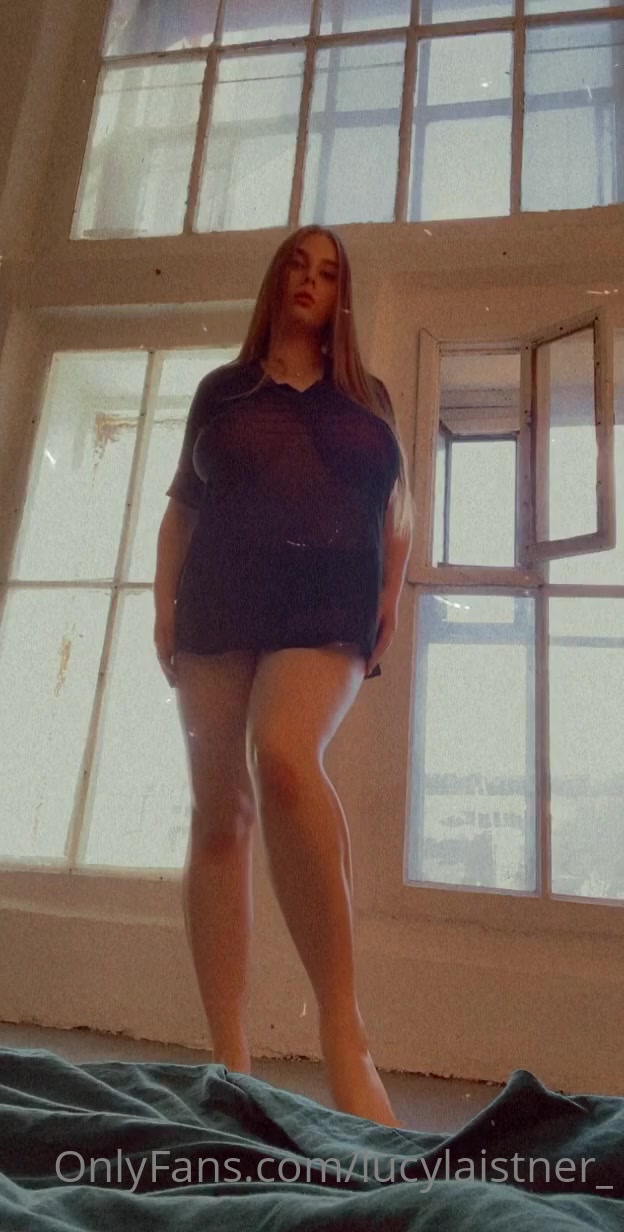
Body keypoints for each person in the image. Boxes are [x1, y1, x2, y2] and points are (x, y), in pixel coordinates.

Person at [153, 225, 414, 1127]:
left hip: (327, 601)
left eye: (329, 272)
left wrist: (390, 596)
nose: (311, 281)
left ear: (343, 294)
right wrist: (162, 606)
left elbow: (398, 511)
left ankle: (345, 1036)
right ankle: (231, 1063)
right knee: (218, 812)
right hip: (217, 601)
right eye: (298, 266)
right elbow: (182, 511)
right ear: (277, 281)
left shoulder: (367, 397)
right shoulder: (222, 391)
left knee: (285, 755)